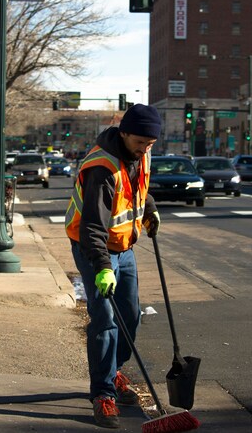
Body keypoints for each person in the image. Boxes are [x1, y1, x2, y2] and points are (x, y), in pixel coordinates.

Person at [65, 103, 162, 429]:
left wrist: (149, 209)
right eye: (140, 143)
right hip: (94, 250)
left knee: (130, 316)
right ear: (124, 133)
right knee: (105, 320)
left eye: (150, 144)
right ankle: (103, 395)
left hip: (125, 247)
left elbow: (138, 187)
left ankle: (113, 370)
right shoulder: (102, 168)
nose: (145, 148)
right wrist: (103, 267)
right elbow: (93, 227)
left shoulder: (141, 154)